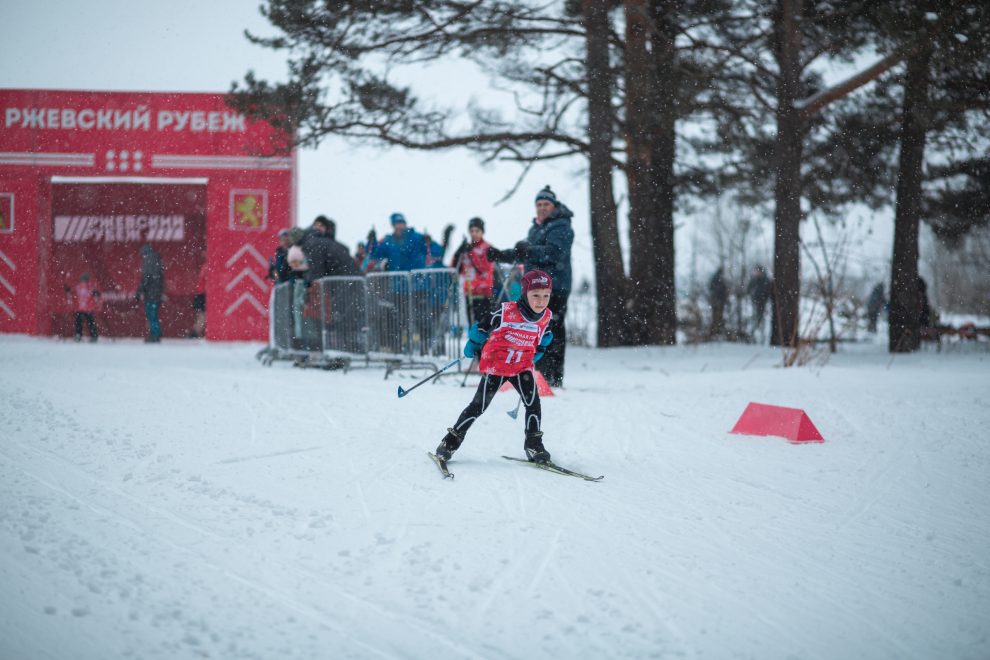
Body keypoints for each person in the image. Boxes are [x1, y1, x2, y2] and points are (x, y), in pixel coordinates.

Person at [434, 270, 556, 465]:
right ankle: (449, 442)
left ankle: (533, 445)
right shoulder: (506, 312)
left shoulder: (546, 317)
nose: (541, 301)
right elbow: (482, 327)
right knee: (478, 406)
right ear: (525, 294)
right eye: (536, 295)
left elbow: (546, 336)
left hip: (520, 368)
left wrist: (539, 349)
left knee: (533, 404)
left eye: (546, 296)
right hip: (497, 367)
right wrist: (474, 343)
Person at [488, 185, 574, 387]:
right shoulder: (535, 228)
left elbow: (554, 252)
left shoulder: (561, 226)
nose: (542, 208)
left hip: (555, 288)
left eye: (546, 204)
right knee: (534, 330)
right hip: (535, 288)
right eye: (539, 205)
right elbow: (524, 252)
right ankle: (538, 375)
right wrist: (501, 254)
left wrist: (530, 250)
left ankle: (553, 377)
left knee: (552, 329)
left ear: (553, 206)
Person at [451, 217, 495, 326]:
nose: (474, 234)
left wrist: (471, 253)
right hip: (470, 291)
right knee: (472, 324)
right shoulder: (466, 248)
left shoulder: (488, 248)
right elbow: (455, 268)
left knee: (484, 325)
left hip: (484, 292)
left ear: (482, 232)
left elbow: (484, 268)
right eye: (472, 231)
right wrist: (458, 253)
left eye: (477, 231)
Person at [303, 215, 361, 281]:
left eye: (321, 226)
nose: (318, 228)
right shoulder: (337, 246)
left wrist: (312, 283)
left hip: (338, 282)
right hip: (350, 281)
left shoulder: (316, 243)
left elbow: (316, 269)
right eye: (316, 225)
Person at [137, 244, 164, 342]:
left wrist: (140, 290)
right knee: (153, 314)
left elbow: (146, 278)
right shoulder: (157, 261)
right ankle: (156, 332)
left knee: (151, 314)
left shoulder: (149, 261)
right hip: (156, 292)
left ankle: (155, 334)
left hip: (151, 293)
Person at [67, 272, 100, 342]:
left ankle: (87, 336)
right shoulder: (82, 287)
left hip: (86, 308)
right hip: (83, 308)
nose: (83, 281)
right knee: (84, 323)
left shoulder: (88, 287)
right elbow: (72, 291)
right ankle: (84, 335)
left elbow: (96, 294)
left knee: (87, 323)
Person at [747, 265, 772, 340]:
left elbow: (767, 291)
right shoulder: (754, 279)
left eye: (758, 271)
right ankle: (754, 332)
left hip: (762, 302)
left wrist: (764, 298)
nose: (757, 273)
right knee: (755, 316)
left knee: (761, 317)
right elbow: (749, 288)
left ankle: (760, 333)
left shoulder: (765, 280)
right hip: (755, 301)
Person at [708, 266, 728, 339]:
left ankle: (715, 332)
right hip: (718, 300)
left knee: (716, 317)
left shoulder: (716, 278)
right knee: (717, 317)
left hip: (716, 300)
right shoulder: (718, 278)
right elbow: (718, 289)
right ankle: (714, 333)